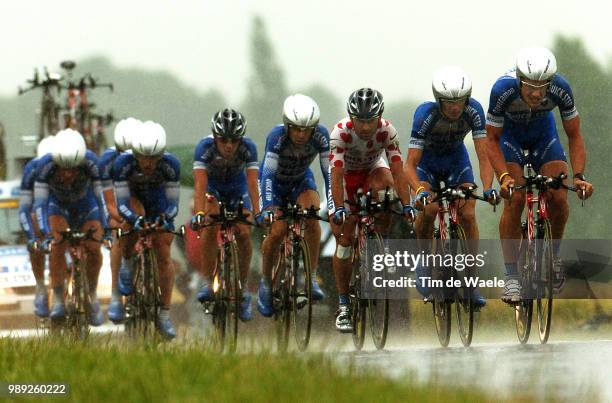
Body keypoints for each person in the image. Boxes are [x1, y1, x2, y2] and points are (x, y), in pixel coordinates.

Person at [485, 47, 594, 302]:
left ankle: (553, 258)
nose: (536, 93)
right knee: (515, 200)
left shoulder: (561, 88)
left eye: (542, 86)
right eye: (530, 86)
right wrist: (503, 177)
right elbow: (491, 139)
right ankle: (512, 277)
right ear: (519, 80)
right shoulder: (502, 90)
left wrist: (579, 176)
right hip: (509, 138)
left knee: (558, 196)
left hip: (544, 136)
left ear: (551, 82)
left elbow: (575, 135)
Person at [405, 66, 497, 308]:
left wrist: (487, 187)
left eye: (460, 101)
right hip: (427, 163)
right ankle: (424, 263)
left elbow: (484, 154)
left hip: (456, 161)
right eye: (448, 102)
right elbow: (410, 164)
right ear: (438, 100)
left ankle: (470, 281)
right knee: (430, 211)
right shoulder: (424, 114)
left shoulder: (474, 110)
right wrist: (419, 191)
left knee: (467, 213)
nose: (455, 107)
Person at [329, 88, 413, 332]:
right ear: (351, 117)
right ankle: (344, 305)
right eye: (360, 121)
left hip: (373, 169)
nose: (365, 127)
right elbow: (335, 176)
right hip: (345, 176)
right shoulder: (340, 133)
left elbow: (398, 170)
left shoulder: (387, 130)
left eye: (370, 121)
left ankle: (379, 240)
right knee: (344, 242)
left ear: (379, 117)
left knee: (387, 189)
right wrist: (338, 208)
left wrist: (406, 205)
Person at [256, 94, 330, 317]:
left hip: (300, 181)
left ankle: (311, 277)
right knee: (277, 231)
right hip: (274, 185)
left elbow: (329, 173)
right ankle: (266, 283)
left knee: (313, 216)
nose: (300, 134)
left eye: (306, 130)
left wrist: (335, 205)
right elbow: (267, 175)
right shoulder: (276, 137)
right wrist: (268, 208)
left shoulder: (322, 136)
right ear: (287, 126)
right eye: (296, 129)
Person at [113, 121, 181, 338]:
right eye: (143, 157)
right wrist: (133, 219)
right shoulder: (123, 164)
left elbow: (173, 205)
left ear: (161, 155)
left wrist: (165, 218)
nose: (148, 163)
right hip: (134, 201)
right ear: (135, 153)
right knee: (127, 227)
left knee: (163, 252)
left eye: (154, 158)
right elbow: (121, 203)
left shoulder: (171, 164)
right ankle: (127, 261)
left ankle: (164, 314)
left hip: (159, 202)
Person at [191, 108, 259, 321]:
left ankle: (242, 288)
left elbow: (252, 183)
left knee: (244, 231)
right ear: (215, 137)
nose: (229, 145)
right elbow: (200, 183)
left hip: (238, 188)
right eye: (223, 140)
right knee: (210, 224)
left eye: (234, 140)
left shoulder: (249, 148)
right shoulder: (204, 148)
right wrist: (200, 212)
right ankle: (206, 281)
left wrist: (258, 211)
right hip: (213, 188)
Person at [33, 129, 106, 325]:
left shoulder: (91, 162)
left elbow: (101, 198)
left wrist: (105, 228)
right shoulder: (45, 165)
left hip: (86, 206)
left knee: (93, 247)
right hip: (58, 207)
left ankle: (91, 294)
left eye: (72, 169)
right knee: (57, 244)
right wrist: (44, 230)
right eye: (62, 169)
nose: (67, 174)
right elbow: (40, 203)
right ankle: (57, 298)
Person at [98, 117, 142, 322]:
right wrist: (112, 223)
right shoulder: (106, 161)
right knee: (119, 235)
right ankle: (116, 294)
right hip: (116, 198)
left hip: (141, 194)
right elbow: (107, 201)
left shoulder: (148, 155)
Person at [19, 136, 56, 317]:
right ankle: (41, 285)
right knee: (35, 223)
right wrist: (33, 237)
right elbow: (24, 209)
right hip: (38, 209)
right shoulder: (31, 170)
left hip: (63, 208)